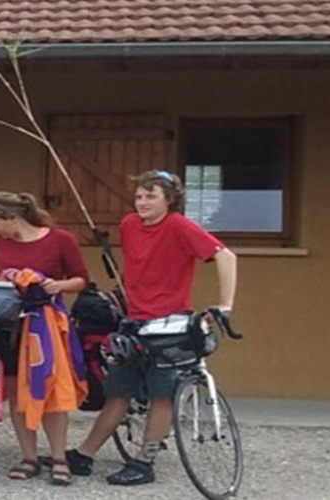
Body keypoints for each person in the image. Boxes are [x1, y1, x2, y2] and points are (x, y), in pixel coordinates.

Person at [69, 171, 239, 486]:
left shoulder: (179, 225)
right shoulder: (129, 225)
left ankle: (144, 461)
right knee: (118, 391)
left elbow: (225, 256)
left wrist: (224, 305)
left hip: (169, 323)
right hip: (134, 321)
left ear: (169, 200)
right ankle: (84, 454)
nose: (143, 202)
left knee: (162, 395)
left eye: (151, 196)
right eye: (139, 197)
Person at [0, 192, 91, 486]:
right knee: (17, 389)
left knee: (51, 387)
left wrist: (58, 285)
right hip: (11, 322)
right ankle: (29, 456)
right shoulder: (2, 242)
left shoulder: (60, 240)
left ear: (11, 218)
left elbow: (81, 279)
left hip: (46, 322)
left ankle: (58, 458)